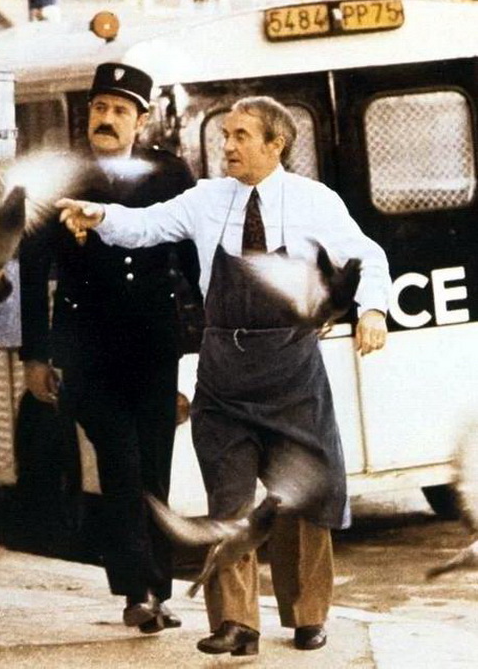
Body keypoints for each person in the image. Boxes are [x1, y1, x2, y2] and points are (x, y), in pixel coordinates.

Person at [56, 95, 391, 655]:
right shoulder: (206, 198)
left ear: (275, 144)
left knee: (304, 499)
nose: (227, 146)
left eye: (240, 136)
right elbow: (147, 225)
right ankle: (236, 623)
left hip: (291, 369)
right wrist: (103, 216)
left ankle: (308, 615)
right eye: (225, 135)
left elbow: (368, 257)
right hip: (224, 372)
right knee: (228, 502)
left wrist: (373, 310)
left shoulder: (315, 201)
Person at [19, 62, 199, 634]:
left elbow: (193, 261)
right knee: (120, 464)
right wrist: (34, 355)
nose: (107, 118)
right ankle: (135, 593)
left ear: (141, 122)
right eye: (100, 107)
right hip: (87, 348)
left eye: (121, 110)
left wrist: (200, 348)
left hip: (154, 344)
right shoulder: (62, 177)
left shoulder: (171, 174)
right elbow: (33, 269)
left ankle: (157, 593)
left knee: (155, 467)